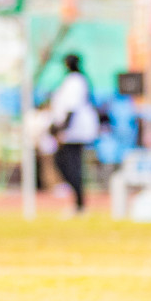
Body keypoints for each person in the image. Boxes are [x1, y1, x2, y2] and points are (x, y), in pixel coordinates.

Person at [49, 53, 100, 213]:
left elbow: (72, 106)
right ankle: (78, 202)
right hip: (73, 128)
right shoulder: (74, 80)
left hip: (75, 130)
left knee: (69, 164)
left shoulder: (75, 80)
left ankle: (79, 203)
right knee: (68, 164)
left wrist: (62, 128)